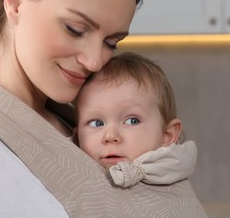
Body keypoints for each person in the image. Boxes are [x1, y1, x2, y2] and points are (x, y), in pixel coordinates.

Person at [0, 0, 207, 217]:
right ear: (16, 1)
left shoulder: (70, 122)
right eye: (75, 29)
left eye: (111, 43)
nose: (94, 61)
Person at [74, 52, 198, 188]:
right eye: (97, 123)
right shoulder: (72, 177)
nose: (110, 136)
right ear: (77, 135)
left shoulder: (173, 180)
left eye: (132, 121)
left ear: (167, 135)